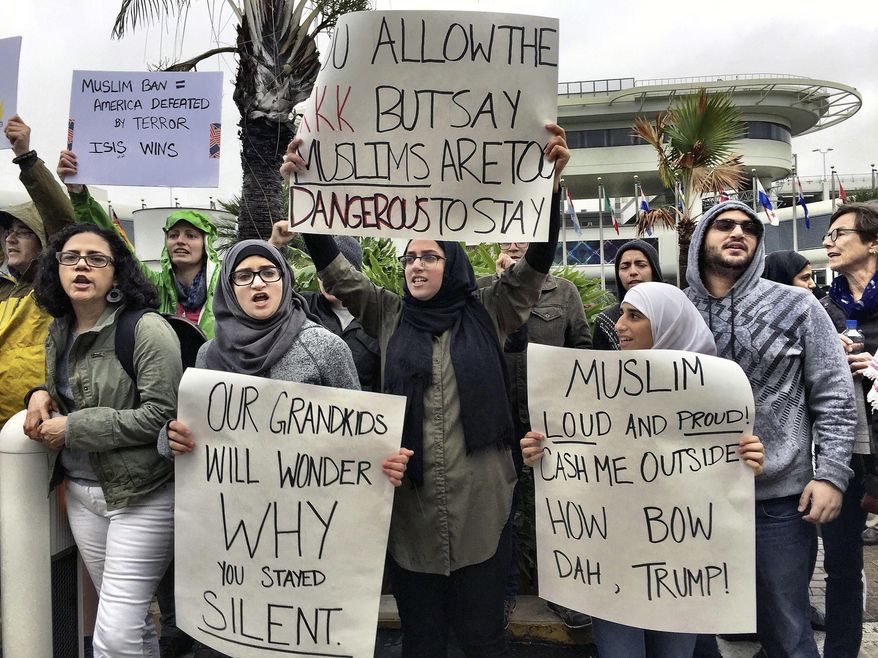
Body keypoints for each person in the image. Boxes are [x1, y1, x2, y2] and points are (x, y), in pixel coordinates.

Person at [280, 123, 569, 657]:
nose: (417, 264)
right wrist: (305, 194)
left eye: (430, 256)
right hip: (411, 513)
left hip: (482, 503)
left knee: (483, 638)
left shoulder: (491, 309)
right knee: (424, 640)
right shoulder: (389, 315)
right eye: (411, 257)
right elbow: (338, 273)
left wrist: (550, 187)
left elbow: (536, 264)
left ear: (452, 264)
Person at [158, 240, 410, 658]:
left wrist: (384, 459)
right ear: (229, 287)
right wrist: (171, 439)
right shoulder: (208, 353)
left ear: (285, 279)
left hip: (308, 538)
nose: (257, 283)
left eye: (268, 272)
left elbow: (360, 434)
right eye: (244, 275)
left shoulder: (325, 347)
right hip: (235, 541)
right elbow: (190, 437)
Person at [521, 281, 764, 657]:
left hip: (684, 567)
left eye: (634, 316)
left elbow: (724, 468)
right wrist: (541, 451)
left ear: (668, 323)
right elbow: (577, 458)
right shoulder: (596, 389)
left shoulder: (719, 390)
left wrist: (747, 458)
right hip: (613, 559)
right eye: (622, 313)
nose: (618, 325)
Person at [684, 199, 856, 656]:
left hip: (777, 501)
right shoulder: (673, 309)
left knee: (786, 630)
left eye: (749, 227)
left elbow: (835, 397)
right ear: (702, 237)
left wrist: (831, 475)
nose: (738, 232)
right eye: (724, 225)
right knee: (690, 630)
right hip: (688, 501)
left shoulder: (798, 306)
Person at [24, 224, 182, 656]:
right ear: (55, 268)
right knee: (129, 624)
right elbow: (70, 387)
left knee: (113, 632)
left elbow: (161, 416)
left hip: (142, 494)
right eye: (71, 257)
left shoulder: (146, 330)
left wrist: (74, 429)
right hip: (81, 493)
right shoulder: (59, 330)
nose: (82, 266)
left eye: (97, 259)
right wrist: (37, 393)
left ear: (118, 273)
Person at [478, 241, 592, 629]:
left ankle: (565, 593)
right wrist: (502, 286)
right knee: (501, 511)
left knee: (557, 508)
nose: (514, 244)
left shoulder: (564, 292)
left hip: (551, 424)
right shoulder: (482, 290)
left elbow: (583, 348)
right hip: (497, 420)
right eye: (509, 236)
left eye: (523, 237)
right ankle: (503, 595)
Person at [57, 150, 221, 338]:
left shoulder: (224, 285)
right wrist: (78, 194)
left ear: (206, 243)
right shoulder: (154, 286)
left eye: (191, 236)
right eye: (173, 235)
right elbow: (112, 242)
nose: (180, 241)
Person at [817, 202, 878, 657]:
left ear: (873, 242)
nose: (828, 242)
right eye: (827, 235)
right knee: (840, 565)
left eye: (839, 234)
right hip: (846, 453)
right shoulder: (819, 307)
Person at [1, 115, 76, 427]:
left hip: (37, 426)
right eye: (7, 232)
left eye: (23, 231)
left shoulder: (54, 285)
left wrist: (26, 158)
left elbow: (63, 223)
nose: (11, 238)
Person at [291, 235, 380, 392]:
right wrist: (274, 245)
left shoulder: (378, 316)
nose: (329, 280)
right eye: (323, 273)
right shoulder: (302, 306)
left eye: (338, 273)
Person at [592, 240, 663, 349]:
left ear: (654, 271)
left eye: (641, 265)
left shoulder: (676, 313)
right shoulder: (605, 321)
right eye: (625, 267)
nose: (633, 272)